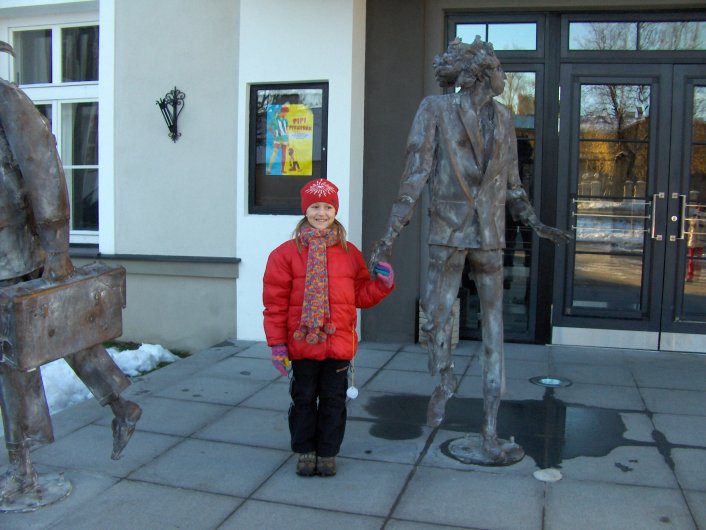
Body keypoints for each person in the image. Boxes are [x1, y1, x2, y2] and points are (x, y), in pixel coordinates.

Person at [369, 37, 571, 464]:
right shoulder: (435, 109)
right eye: (497, 69)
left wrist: (535, 223)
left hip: (490, 235)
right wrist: (389, 237)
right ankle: (443, 381)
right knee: (437, 317)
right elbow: (415, 174)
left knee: (494, 331)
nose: (503, 76)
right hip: (448, 231)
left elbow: (512, 184)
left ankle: (490, 430)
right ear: (480, 74)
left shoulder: (505, 116)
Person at [0, 41, 141, 500]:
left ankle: (22, 468)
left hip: (13, 256)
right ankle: (120, 402)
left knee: (17, 358)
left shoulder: (6, 99)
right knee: (56, 333)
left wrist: (57, 247)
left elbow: (42, 169)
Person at [262, 178, 394, 476]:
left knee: (334, 401)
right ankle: (305, 451)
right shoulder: (284, 255)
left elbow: (360, 296)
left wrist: (381, 284)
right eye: (314, 207)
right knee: (303, 399)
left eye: (327, 207)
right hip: (302, 343)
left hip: (338, 343)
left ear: (335, 210)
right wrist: (277, 345)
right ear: (305, 210)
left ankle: (327, 453)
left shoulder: (350, 253)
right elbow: (275, 304)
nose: (321, 213)